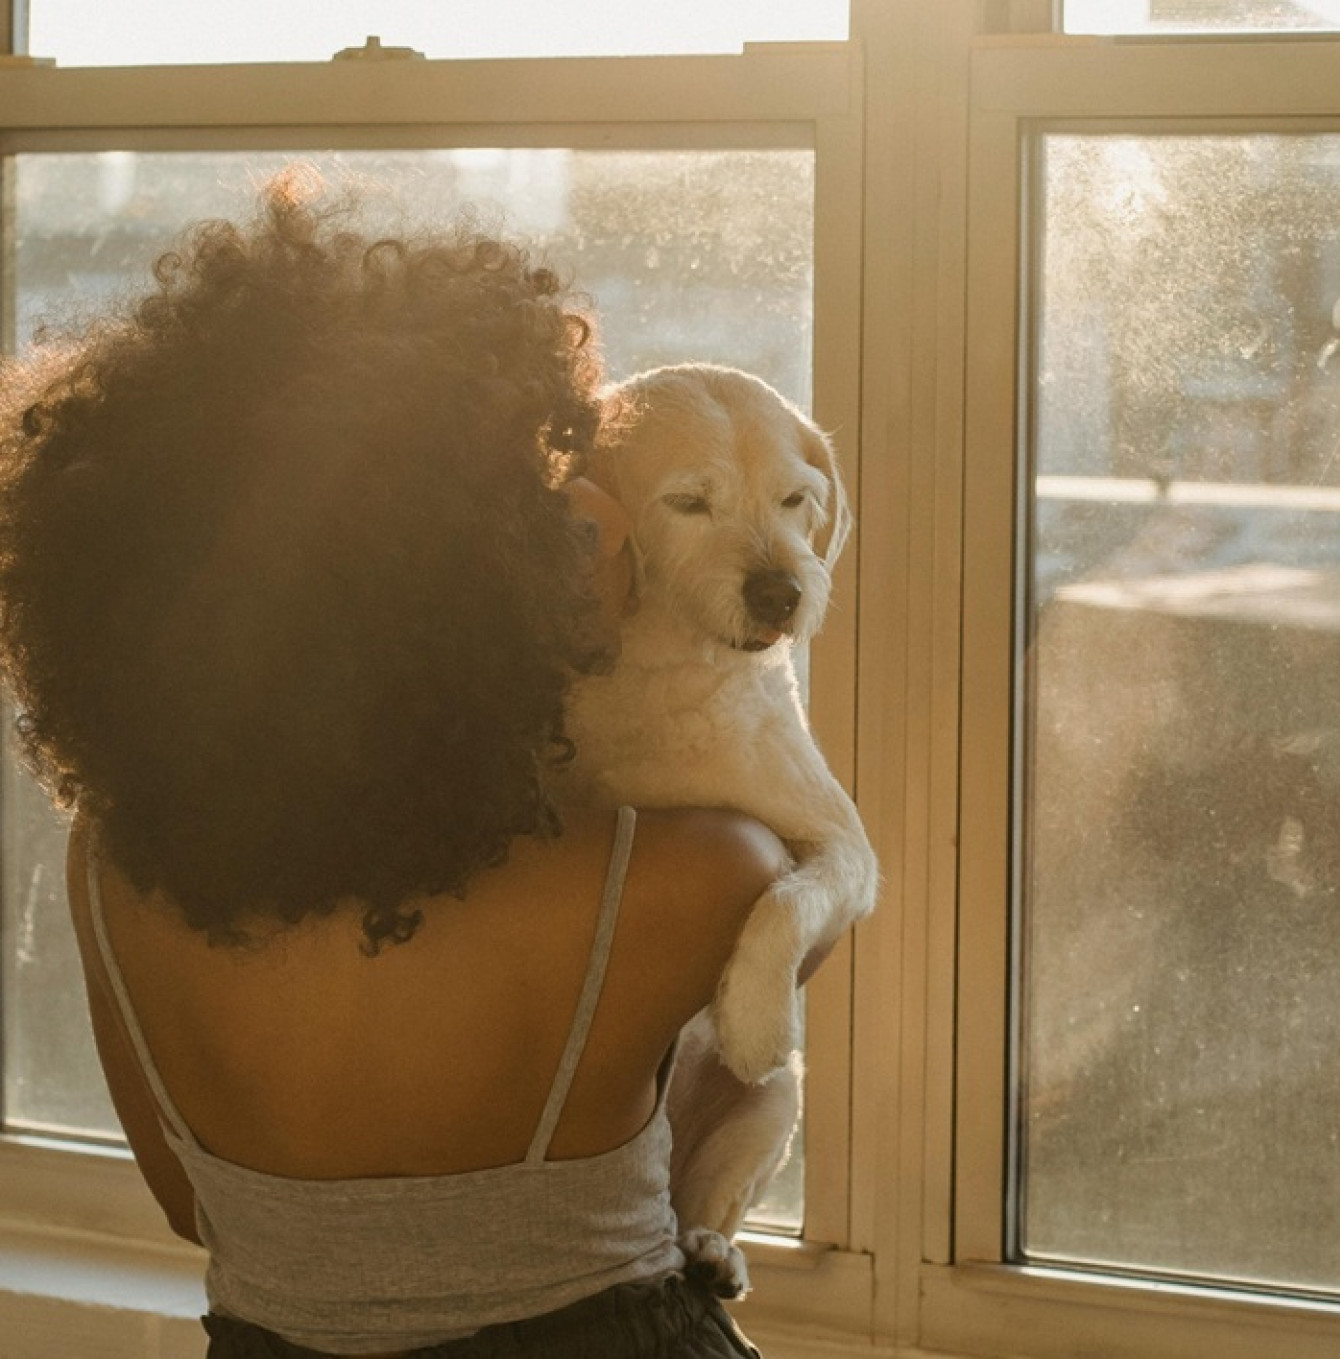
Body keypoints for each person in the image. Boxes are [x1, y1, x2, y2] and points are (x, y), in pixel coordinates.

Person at [0, 175, 787, 1357]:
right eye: (541, 483)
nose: (602, 516)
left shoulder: (114, 873)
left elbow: (188, 1202)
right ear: (444, 589)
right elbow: (706, 1152)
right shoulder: (696, 874)